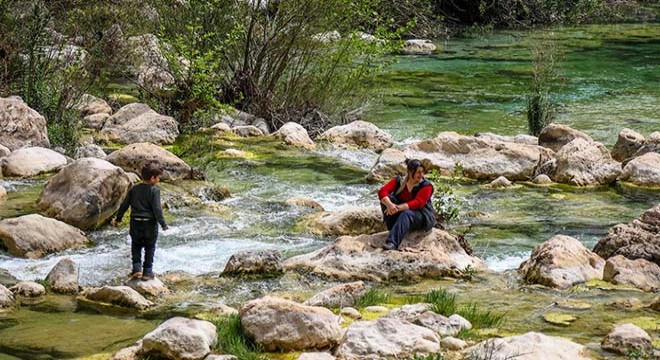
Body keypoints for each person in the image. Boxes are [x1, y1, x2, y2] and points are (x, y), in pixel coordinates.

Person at [112, 164, 168, 280]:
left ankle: (136, 270)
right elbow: (157, 209)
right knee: (150, 247)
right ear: (153, 178)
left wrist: (118, 219)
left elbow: (124, 205)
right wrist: (163, 224)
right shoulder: (154, 191)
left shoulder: (134, 189)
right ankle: (147, 272)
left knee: (136, 246)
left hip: (135, 222)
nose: (159, 179)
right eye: (158, 177)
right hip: (149, 224)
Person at [378, 158, 435, 251]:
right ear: (409, 172)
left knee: (407, 213)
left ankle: (392, 242)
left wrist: (397, 208)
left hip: (421, 216)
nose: (421, 175)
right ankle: (393, 227)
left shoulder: (426, 186)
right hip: (403, 213)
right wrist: (389, 205)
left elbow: (418, 203)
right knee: (387, 199)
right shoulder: (399, 181)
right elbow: (382, 191)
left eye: (422, 172)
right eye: (418, 172)